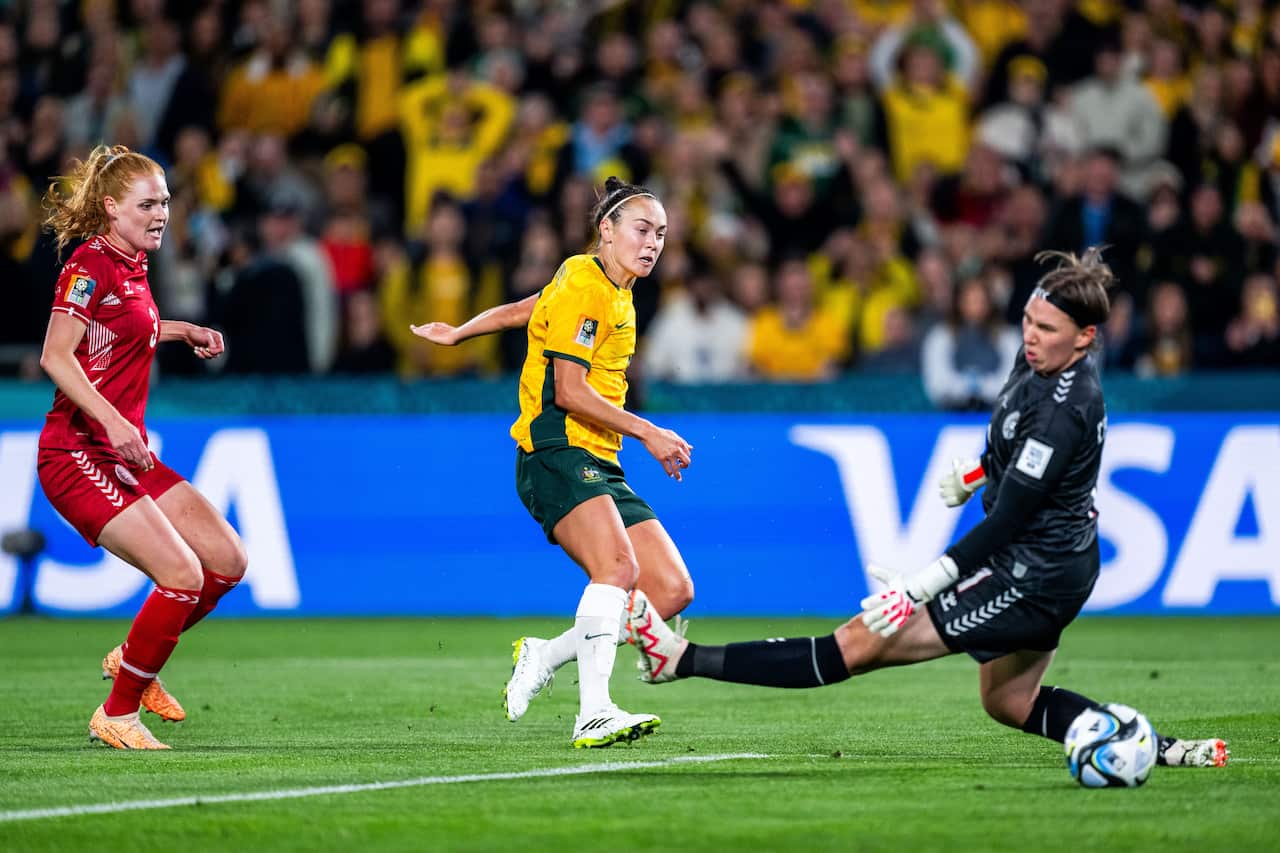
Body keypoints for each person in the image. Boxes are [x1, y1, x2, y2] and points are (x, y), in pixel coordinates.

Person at [627, 248, 1229, 771]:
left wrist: (919, 587)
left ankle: (678, 659)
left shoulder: (1066, 408)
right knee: (1010, 702)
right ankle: (1153, 744)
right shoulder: (1040, 361)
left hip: (1033, 577)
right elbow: (1009, 449)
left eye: (1046, 328)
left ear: (1086, 338)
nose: (1030, 336)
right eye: (1027, 320)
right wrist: (973, 474)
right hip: (1045, 564)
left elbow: (1009, 521)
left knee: (855, 645)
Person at [411, 176, 694, 748]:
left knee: (668, 591)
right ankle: (594, 712)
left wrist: (463, 331)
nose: (653, 243)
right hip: (554, 452)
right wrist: (649, 432)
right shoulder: (588, 284)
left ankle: (545, 654)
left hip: (597, 459)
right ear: (606, 231)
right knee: (617, 568)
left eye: (661, 233)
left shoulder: (606, 287)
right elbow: (568, 389)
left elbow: (529, 308)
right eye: (641, 229)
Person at [38, 144, 248, 750]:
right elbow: (55, 355)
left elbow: (129, 327)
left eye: (165, 202)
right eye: (147, 203)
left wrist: (180, 331)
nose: (160, 213)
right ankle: (117, 711)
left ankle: (133, 659)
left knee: (227, 561)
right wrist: (110, 422)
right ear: (111, 207)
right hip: (77, 452)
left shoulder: (133, 263)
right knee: (181, 573)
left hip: (124, 452)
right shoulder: (89, 264)